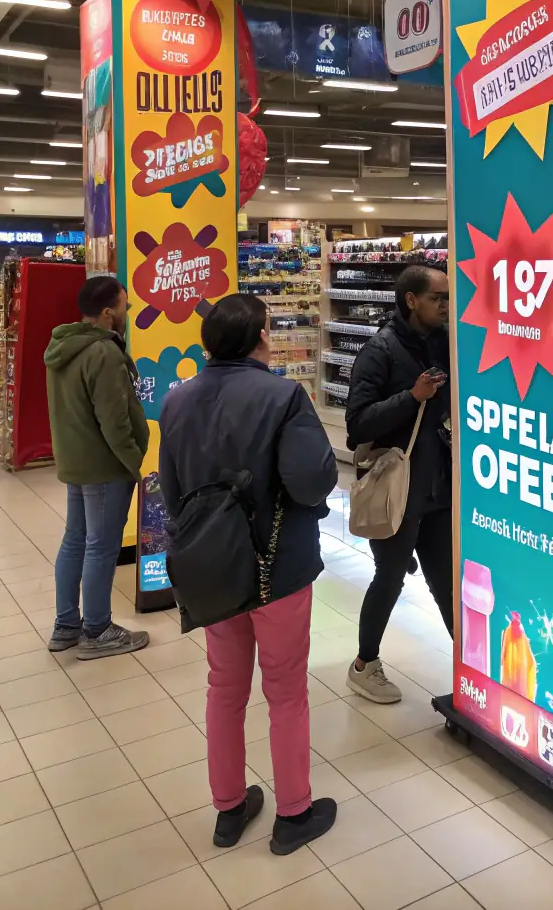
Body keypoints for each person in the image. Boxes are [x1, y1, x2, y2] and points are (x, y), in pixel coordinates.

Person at [158, 292, 339, 855]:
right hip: (276, 567)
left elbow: (170, 489)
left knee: (224, 687)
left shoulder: (177, 400)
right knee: (285, 690)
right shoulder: (284, 397)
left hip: (212, 567)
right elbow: (312, 481)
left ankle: (229, 809)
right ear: (261, 338)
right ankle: (293, 814)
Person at [345, 264, 453, 703]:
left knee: (447, 580)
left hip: (439, 487)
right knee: (389, 577)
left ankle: (471, 665)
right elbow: (357, 423)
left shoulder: (445, 342)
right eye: (438, 298)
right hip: (398, 488)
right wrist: (411, 397)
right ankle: (363, 664)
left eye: (448, 297)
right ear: (411, 300)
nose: (446, 306)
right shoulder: (380, 350)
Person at [46, 275, 150, 660]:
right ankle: (97, 629)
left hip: (76, 458)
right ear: (109, 312)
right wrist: (133, 462)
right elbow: (114, 420)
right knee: (101, 548)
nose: (129, 310)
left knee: (75, 541)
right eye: (125, 304)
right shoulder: (103, 353)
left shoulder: (62, 346)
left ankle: (66, 625)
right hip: (105, 464)